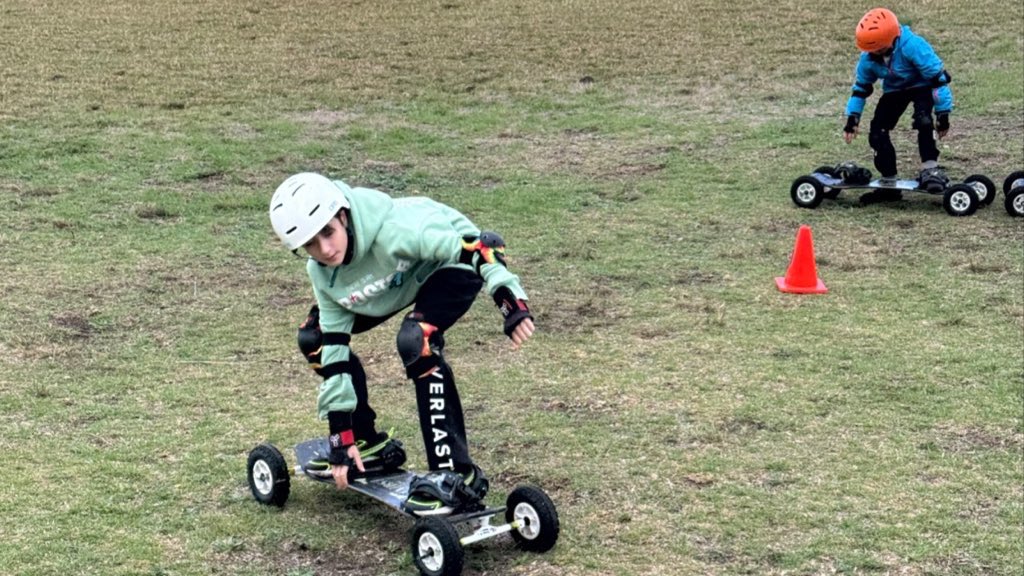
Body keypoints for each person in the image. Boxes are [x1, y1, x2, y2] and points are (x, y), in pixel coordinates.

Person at [269, 172, 535, 514]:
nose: (325, 249)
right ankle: (366, 442)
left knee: (416, 338)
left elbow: (480, 247)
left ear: (344, 215)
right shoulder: (322, 271)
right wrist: (340, 436)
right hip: (389, 283)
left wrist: (510, 302)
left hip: (448, 264)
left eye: (328, 232)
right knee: (315, 337)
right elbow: (334, 352)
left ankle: (454, 475)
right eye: (310, 244)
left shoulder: (399, 228)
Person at [842, 7, 954, 204]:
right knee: (877, 131)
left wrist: (943, 113)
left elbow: (938, 79)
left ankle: (930, 170)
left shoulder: (913, 46)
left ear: (891, 38)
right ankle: (889, 182)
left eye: (879, 48)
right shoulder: (868, 58)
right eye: (871, 50)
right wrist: (853, 118)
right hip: (894, 90)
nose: (875, 53)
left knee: (924, 122)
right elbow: (860, 89)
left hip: (922, 85)